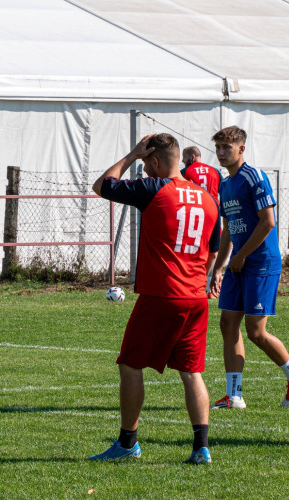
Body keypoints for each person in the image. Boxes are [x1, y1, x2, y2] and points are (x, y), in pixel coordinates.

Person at [89, 133, 220, 464]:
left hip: (163, 294)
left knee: (130, 365)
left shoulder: (155, 188)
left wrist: (132, 153)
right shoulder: (207, 199)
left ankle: (128, 442)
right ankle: (201, 447)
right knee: (191, 371)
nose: (144, 170)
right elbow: (211, 252)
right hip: (196, 297)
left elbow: (102, 185)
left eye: (147, 164)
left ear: (156, 162)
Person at [209, 126, 289, 410]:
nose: (221, 153)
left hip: (261, 262)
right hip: (238, 263)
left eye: (226, 147)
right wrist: (219, 267)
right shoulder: (225, 184)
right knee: (227, 324)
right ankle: (234, 396)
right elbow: (228, 228)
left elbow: (268, 222)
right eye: (218, 148)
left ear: (241, 149)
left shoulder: (255, 177)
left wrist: (242, 257)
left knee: (255, 332)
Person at [182, 145, 223, 297]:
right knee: (214, 252)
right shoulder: (215, 171)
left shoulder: (186, 172)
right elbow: (223, 191)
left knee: (192, 250)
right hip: (214, 214)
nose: (183, 162)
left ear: (192, 158)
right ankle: (213, 289)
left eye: (184, 159)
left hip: (195, 215)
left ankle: (193, 284)